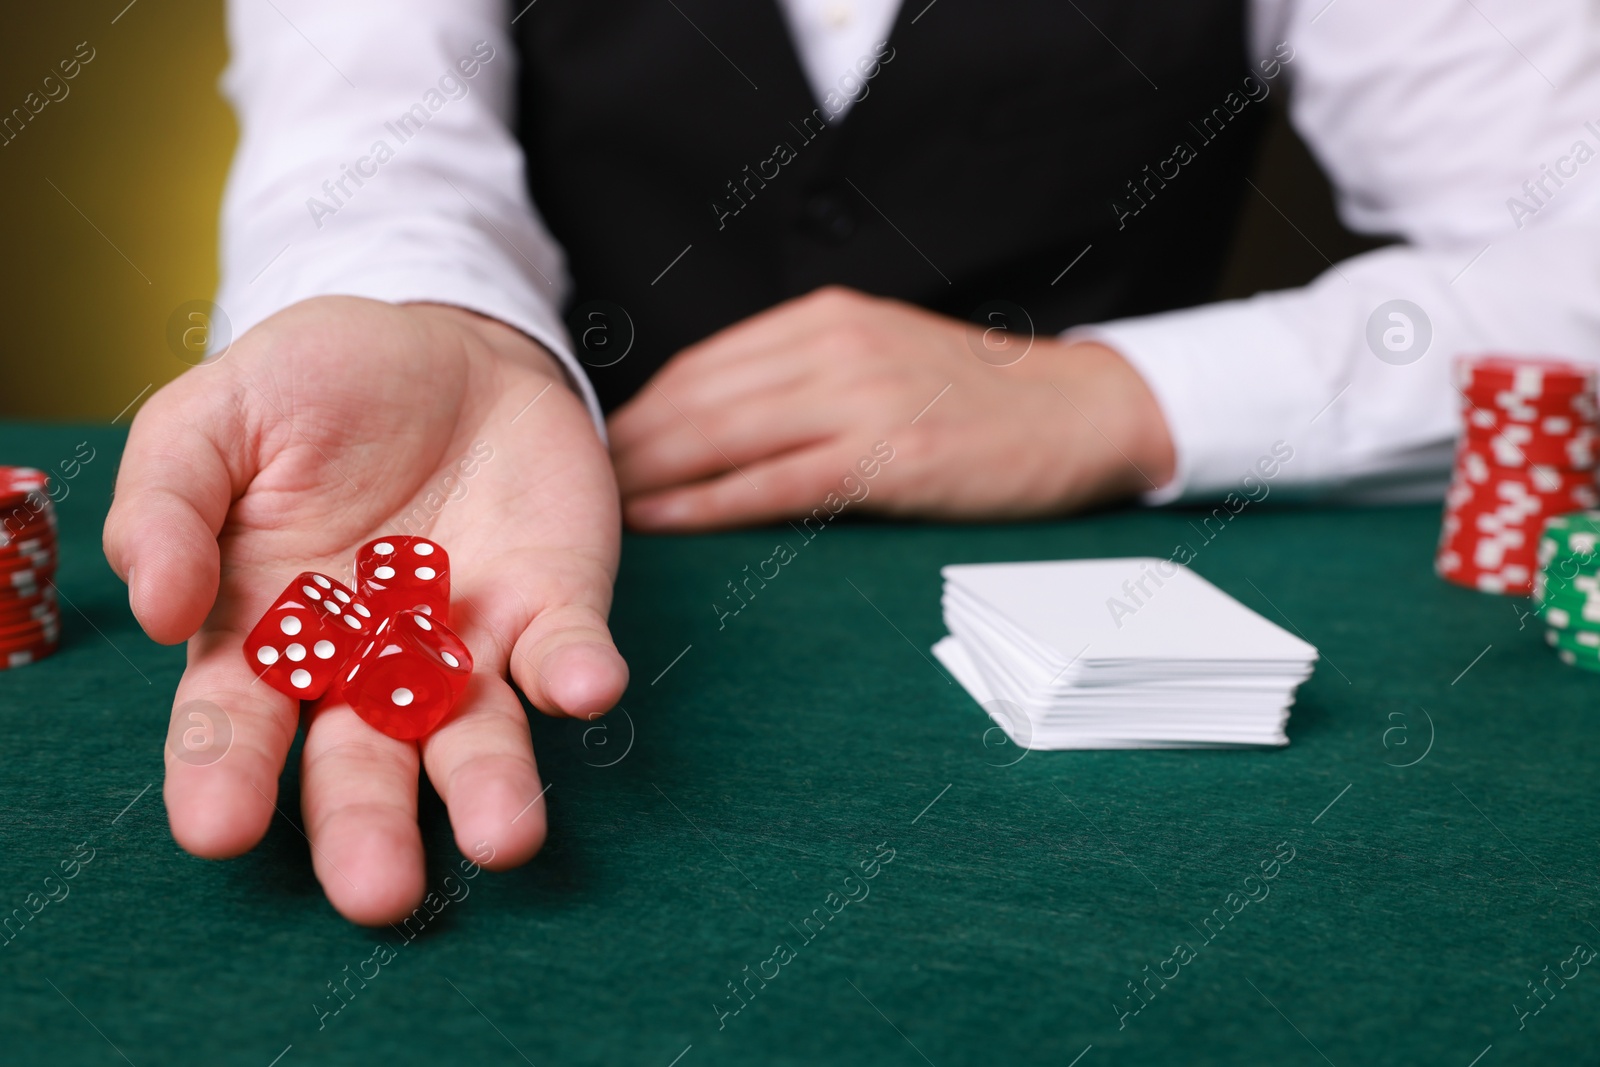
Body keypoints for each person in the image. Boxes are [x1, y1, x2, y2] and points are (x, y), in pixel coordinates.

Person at [104, 0, 1600, 924]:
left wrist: (1124, 396)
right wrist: (426, 321)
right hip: (576, 544)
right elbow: (365, 144)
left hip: (1124, 641)